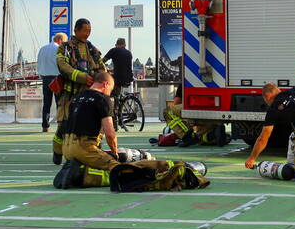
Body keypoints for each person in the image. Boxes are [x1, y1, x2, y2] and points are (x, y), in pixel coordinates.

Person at [60, 71, 209, 191]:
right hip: (84, 148)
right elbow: (110, 133)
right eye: (110, 89)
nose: (109, 93)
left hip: (67, 149)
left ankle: (78, 171)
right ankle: (81, 176)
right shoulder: (102, 99)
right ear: (105, 84)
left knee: (97, 164)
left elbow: (62, 128)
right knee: (121, 171)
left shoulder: (77, 98)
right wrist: (115, 153)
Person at [53, 18, 105, 164]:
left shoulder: (92, 49)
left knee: (93, 126)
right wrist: (82, 77)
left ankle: (93, 152)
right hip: (70, 95)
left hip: (90, 94)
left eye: (89, 30)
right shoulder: (64, 48)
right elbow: (63, 66)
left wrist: (99, 78)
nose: (87, 34)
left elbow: (101, 67)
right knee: (64, 126)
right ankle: (57, 150)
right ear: (76, 30)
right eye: (84, 30)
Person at [37, 32, 66, 133]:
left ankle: (45, 125)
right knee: (60, 104)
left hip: (45, 79)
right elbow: (62, 65)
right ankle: (60, 125)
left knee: (46, 103)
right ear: (60, 40)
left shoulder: (42, 49)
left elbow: (39, 64)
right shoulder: (59, 49)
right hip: (57, 79)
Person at [103, 37, 133, 104]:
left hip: (118, 77)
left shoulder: (114, 50)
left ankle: (114, 109)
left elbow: (102, 61)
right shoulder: (129, 53)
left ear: (116, 45)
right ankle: (118, 108)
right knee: (117, 90)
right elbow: (123, 67)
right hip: (129, 78)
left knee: (109, 89)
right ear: (125, 45)